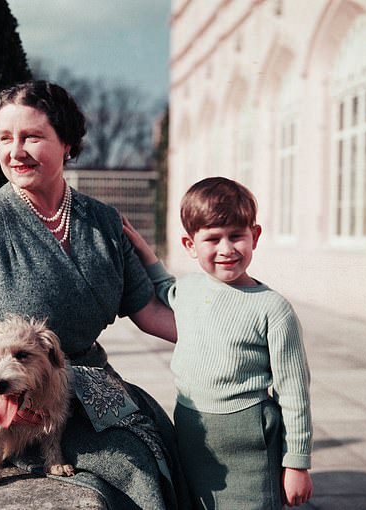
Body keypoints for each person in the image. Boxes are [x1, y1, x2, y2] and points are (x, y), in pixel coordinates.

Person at [0, 80, 192, 509]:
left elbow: (150, 311)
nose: (16, 150)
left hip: (95, 386)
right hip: (20, 402)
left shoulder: (102, 221)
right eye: (5, 138)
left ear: (67, 143)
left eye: (32, 136)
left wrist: (227, 334)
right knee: (129, 465)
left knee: (162, 442)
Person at [123, 176, 313, 509]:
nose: (226, 249)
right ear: (190, 246)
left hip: (250, 444)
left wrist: (296, 462)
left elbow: (294, 392)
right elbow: (164, 286)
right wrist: (144, 251)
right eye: (212, 239)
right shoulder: (190, 290)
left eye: (236, 236)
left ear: (254, 236)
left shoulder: (273, 309)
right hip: (193, 429)